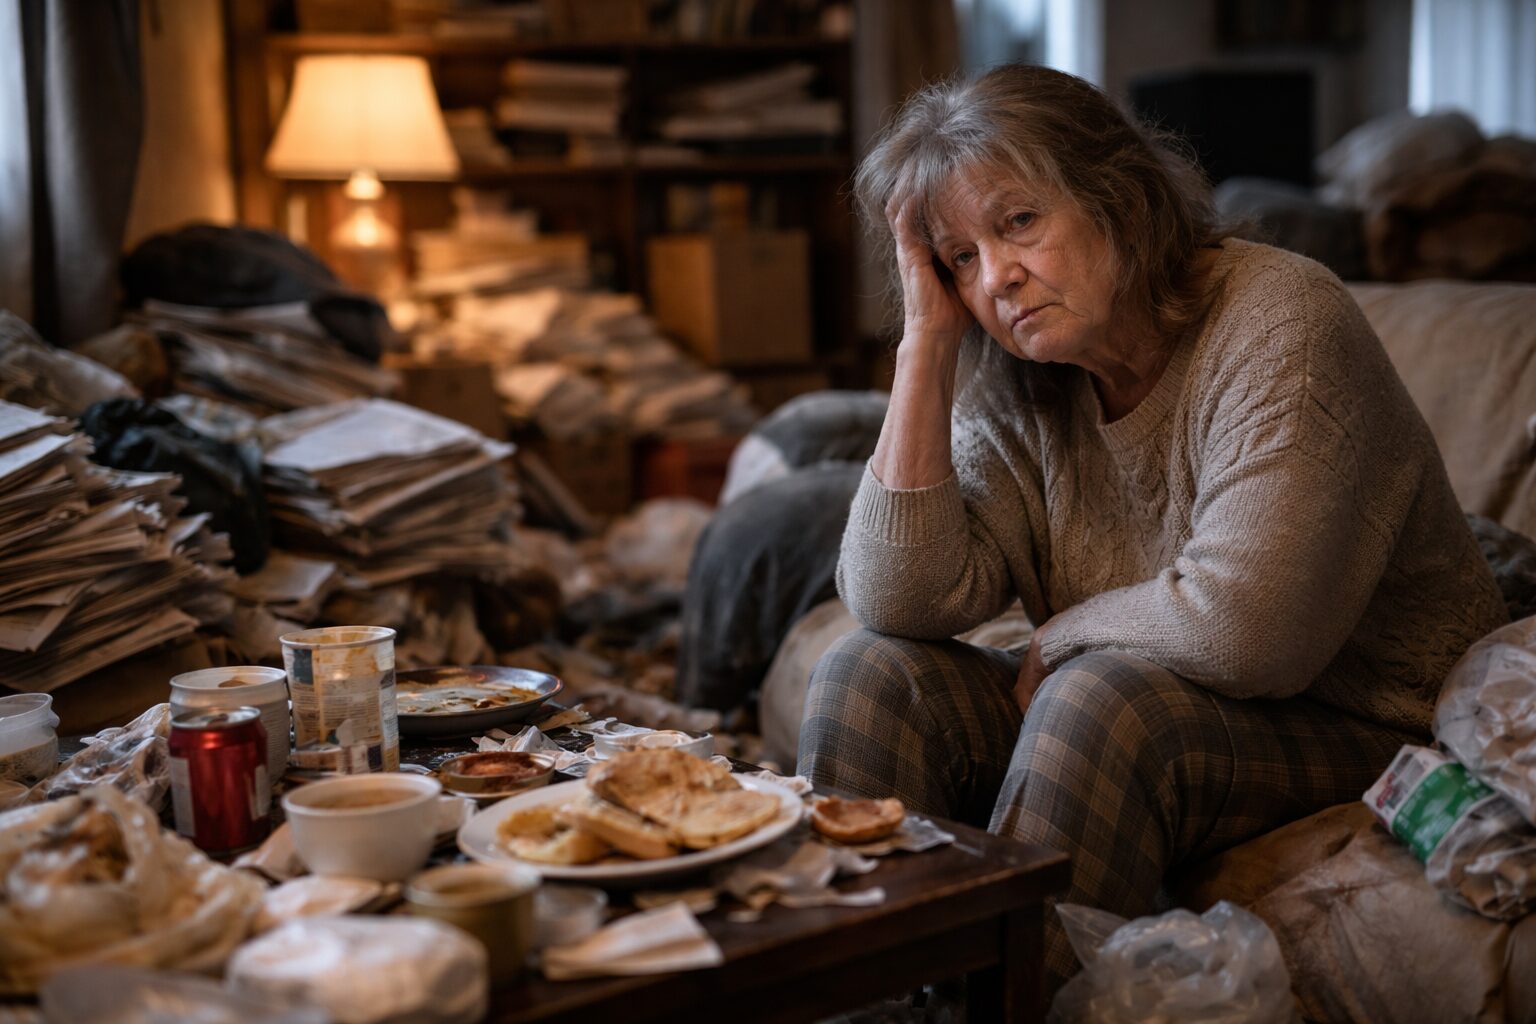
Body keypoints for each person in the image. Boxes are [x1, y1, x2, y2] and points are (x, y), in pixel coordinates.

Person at [796, 63, 1508, 993]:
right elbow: (901, 596)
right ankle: (870, 1007)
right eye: (960, 257)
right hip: (1165, 701)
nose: (998, 276)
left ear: (1119, 198)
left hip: (1359, 716)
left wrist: (1069, 631)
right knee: (867, 672)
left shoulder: (1281, 318)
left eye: (1018, 223)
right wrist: (925, 343)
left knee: (1099, 700)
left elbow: (1253, 632)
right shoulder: (1023, 375)